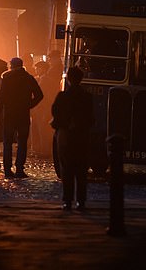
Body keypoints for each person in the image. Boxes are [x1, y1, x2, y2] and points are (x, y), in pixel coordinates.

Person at [51, 66, 94, 211]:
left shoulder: (62, 96)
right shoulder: (87, 97)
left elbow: (55, 114)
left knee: (67, 169)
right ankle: (81, 201)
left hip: (66, 136)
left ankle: (67, 200)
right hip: (82, 136)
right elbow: (92, 119)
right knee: (82, 170)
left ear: (68, 79)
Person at [0, 57, 43, 178]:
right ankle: (20, 168)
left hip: (9, 114)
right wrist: (29, 105)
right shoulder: (29, 78)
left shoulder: (7, 78)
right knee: (22, 142)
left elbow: (1, 97)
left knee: (7, 142)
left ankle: (7, 169)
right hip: (23, 114)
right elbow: (39, 95)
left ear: (12, 66)